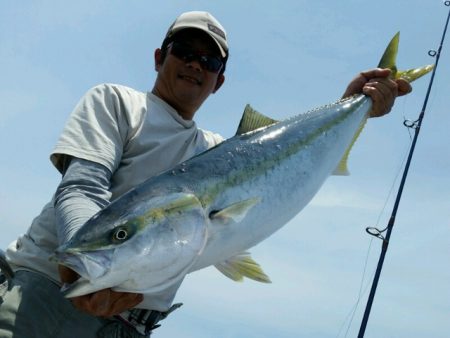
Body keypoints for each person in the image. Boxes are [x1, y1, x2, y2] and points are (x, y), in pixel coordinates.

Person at [0, 10, 411, 338]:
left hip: (128, 327)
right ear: (160, 56)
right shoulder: (118, 103)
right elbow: (82, 184)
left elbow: (292, 155)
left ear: (219, 81)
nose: (196, 64)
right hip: (47, 298)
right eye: (185, 51)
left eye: (210, 60)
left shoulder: (218, 152)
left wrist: (352, 105)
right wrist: (80, 253)